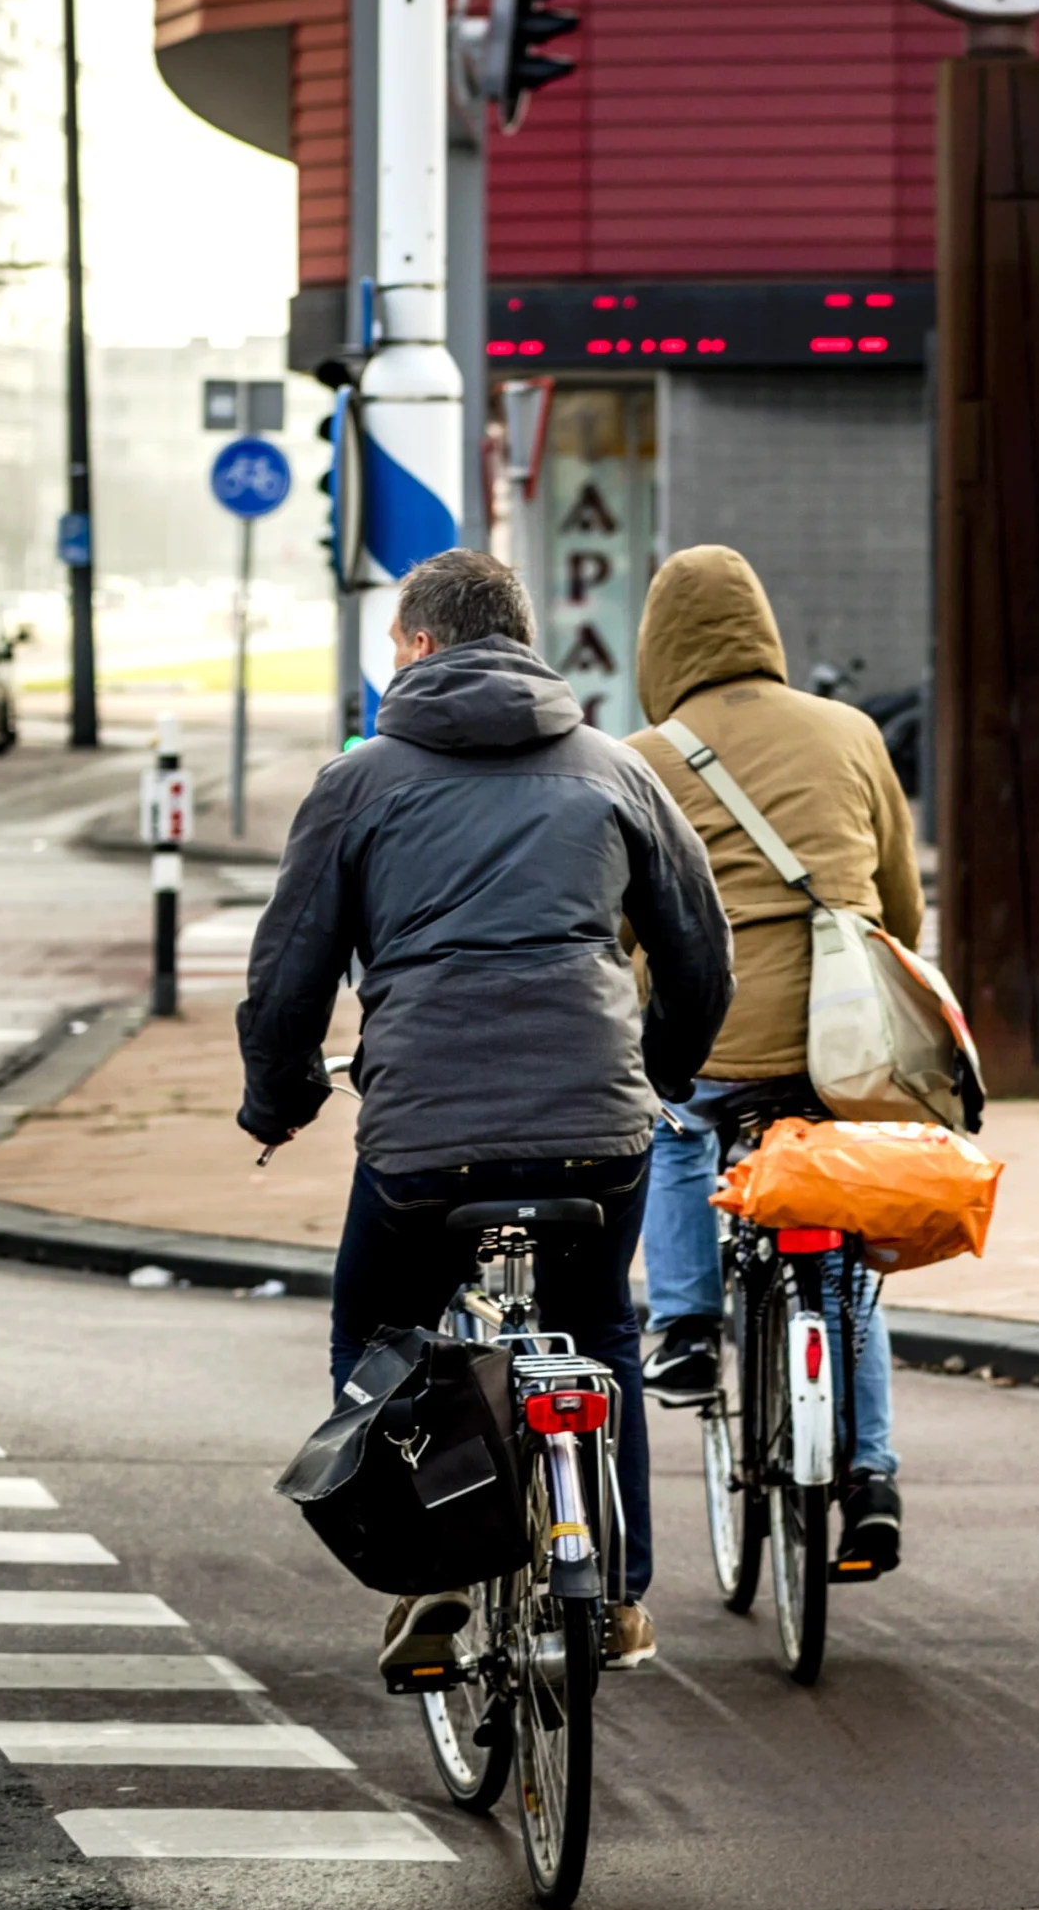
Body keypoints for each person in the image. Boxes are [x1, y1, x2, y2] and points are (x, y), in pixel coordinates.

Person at [237, 550, 734, 1681]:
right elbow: (701, 955)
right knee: (600, 1330)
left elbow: (287, 978)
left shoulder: (355, 784)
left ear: (414, 645)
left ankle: (430, 1576)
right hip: (596, 1134)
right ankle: (611, 1591)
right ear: (521, 635)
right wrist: (659, 1074)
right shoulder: (615, 767)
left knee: (382, 1333)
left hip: (423, 1142)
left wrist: (281, 1099)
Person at [620, 546, 922, 1579]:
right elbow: (902, 902)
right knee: (843, 1262)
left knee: (677, 1127)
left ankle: (690, 1326)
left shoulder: (642, 756)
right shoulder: (851, 731)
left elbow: (622, 922)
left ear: (659, 644)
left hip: (717, 1038)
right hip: (844, 1049)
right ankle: (873, 1474)